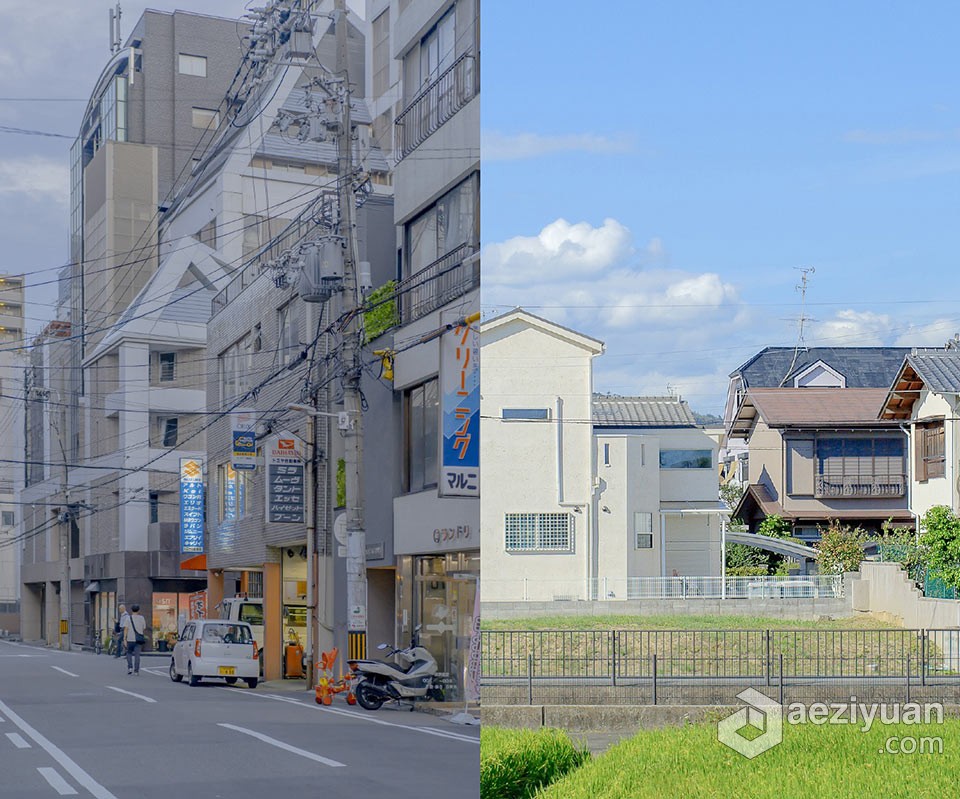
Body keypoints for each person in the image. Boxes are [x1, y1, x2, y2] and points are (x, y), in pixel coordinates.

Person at [122, 604, 147, 675]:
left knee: (129, 653)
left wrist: (124, 638)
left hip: (130, 639)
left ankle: (130, 668)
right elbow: (144, 628)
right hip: (138, 639)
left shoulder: (128, 618)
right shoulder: (142, 618)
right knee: (137, 655)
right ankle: (136, 671)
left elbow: (126, 629)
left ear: (131, 610)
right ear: (138, 610)